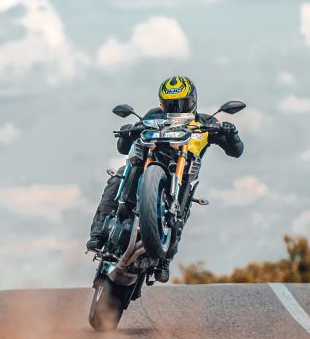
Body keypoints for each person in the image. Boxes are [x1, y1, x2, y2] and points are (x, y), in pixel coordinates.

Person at [85, 75, 244, 281]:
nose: (176, 109)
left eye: (181, 103)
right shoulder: (152, 116)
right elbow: (123, 148)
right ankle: (98, 234)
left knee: (184, 200)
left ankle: (165, 258)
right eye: (170, 104)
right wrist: (126, 133)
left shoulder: (206, 122)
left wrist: (232, 134)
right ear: (162, 102)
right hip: (148, 167)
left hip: (182, 176)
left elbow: (235, 151)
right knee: (120, 174)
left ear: (192, 101)